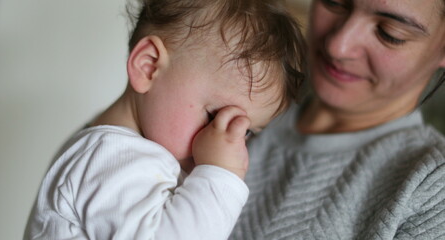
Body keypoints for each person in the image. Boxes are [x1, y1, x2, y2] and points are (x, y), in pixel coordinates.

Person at [24, 0, 306, 239]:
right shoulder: (110, 160)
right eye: (215, 116)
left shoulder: (121, 151)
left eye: (246, 133)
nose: (229, 145)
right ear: (148, 68)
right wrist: (222, 175)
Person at [230, 0, 445, 239]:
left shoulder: (432, 187)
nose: (337, 46)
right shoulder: (234, 98)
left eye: (390, 34)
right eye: (333, 3)